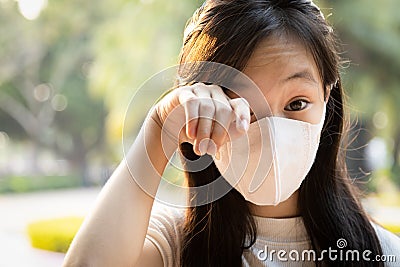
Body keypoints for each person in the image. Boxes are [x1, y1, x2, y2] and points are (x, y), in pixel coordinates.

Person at [63, 0, 400, 266]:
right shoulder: (173, 247)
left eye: (297, 103)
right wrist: (160, 129)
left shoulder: (382, 253)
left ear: (326, 97)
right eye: (243, 109)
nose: (272, 132)